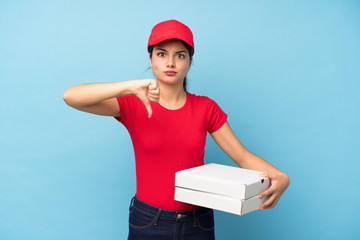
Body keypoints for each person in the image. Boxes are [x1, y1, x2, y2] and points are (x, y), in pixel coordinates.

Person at [63, 19, 290, 240]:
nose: (170, 62)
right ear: (150, 59)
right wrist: (129, 87)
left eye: (179, 55)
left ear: (190, 62)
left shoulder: (205, 108)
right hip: (148, 221)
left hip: (197, 223)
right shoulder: (132, 104)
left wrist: (281, 176)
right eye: (162, 54)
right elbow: (71, 97)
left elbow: (243, 156)